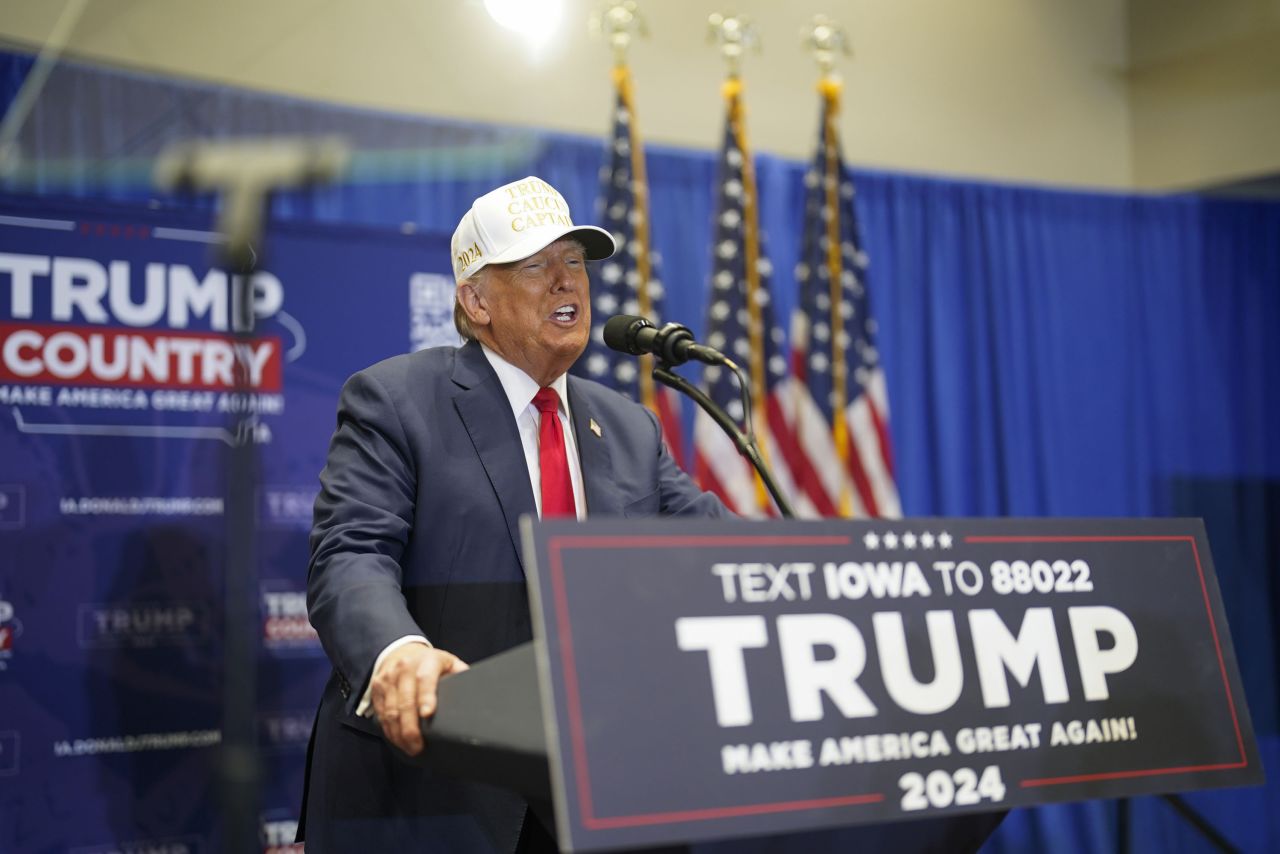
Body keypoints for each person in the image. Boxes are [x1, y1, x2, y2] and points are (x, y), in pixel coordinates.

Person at [298, 176, 729, 853]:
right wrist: (397, 651)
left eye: (575, 263)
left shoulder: (629, 428)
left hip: (598, 789)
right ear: (475, 300)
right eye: (536, 265)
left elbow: (721, 552)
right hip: (441, 795)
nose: (567, 283)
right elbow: (351, 555)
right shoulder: (396, 400)